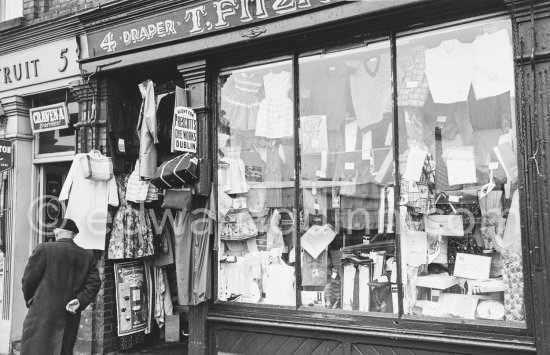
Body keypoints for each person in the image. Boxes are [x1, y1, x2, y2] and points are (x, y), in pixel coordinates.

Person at [21, 218, 101, 355]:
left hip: (41, 313)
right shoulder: (87, 256)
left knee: (35, 350)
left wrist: (30, 300)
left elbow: (28, 280)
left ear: (56, 231)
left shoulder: (43, 249)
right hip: (69, 315)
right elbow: (94, 283)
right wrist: (80, 300)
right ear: (74, 235)